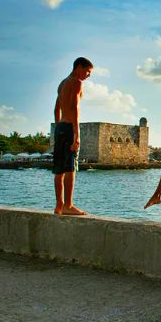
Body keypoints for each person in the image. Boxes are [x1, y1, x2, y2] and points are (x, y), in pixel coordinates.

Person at [52, 57, 93, 215]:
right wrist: (77, 134)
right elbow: (75, 107)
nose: (88, 76)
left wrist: (58, 127)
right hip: (69, 128)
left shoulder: (62, 83)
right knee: (70, 169)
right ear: (79, 67)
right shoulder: (76, 82)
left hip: (60, 127)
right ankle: (68, 206)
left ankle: (59, 205)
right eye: (87, 71)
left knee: (58, 171)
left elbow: (56, 109)